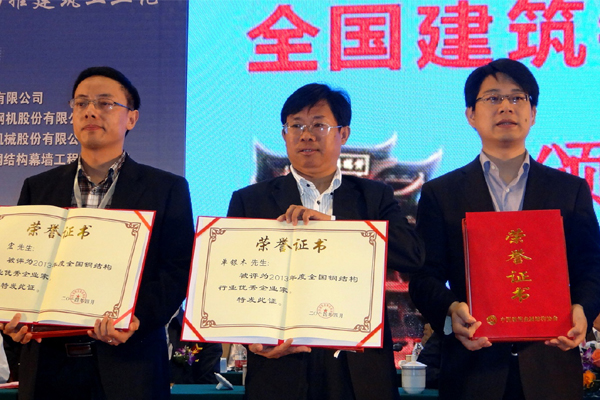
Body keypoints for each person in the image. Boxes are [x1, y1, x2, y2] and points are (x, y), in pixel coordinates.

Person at [409, 58, 600, 400]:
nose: (506, 107)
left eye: (517, 97)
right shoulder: (442, 194)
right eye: (493, 98)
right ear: (471, 115)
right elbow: (425, 277)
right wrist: (451, 311)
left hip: (550, 369)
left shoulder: (569, 191)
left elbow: (592, 268)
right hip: (473, 371)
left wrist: (582, 310)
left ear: (533, 113)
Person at [0, 67, 194, 399]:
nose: (90, 111)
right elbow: (21, 265)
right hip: (48, 369)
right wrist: (13, 321)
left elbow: (177, 270)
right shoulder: (38, 187)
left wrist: (136, 319)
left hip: (130, 368)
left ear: (131, 118)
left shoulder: (166, 188)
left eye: (105, 103)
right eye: (81, 103)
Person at [227, 83, 424, 400]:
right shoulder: (250, 201)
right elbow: (232, 280)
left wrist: (334, 227)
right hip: (280, 365)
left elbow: (411, 255)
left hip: (358, 370)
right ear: (284, 135)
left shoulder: (374, 196)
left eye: (318, 125)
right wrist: (250, 338)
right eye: (296, 126)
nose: (306, 135)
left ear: (343, 134)